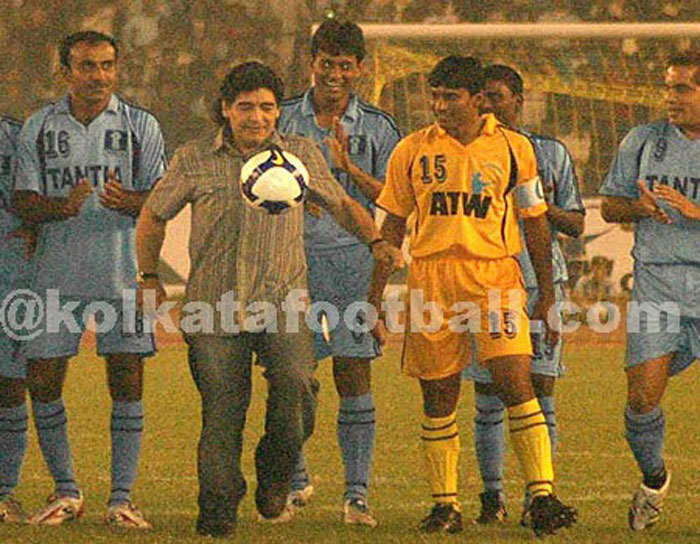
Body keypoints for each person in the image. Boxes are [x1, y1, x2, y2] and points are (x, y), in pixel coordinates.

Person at [135, 61, 402, 538]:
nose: (257, 118)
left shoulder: (299, 154)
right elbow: (153, 216)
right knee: (222, 411)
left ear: (278, 112)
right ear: (225, 110)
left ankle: (275, 474)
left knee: (299, 389)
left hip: (283, 302)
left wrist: (376, 242)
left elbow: (340, 204)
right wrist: (149, 275)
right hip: (213, 307)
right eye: (245, 108)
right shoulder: (193, 158)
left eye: (267, 108)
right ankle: (218, 510)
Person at [368, 55, 578, 537]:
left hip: (496, 276)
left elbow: (535, 223)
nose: (438, 106)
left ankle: (542, 495)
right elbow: (393, 226)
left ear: (477, 99)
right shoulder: (411, 150)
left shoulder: (513, 148)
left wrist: (546, 295)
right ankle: (446, 506)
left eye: (450, 97)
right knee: (438, 392)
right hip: (432, 278)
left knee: (514, 379)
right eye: (434, 96)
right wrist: (374, 298)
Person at [12, 30, 167, 528]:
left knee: (126, 381)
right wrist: (64, 207)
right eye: (86, 66)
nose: (98, 76)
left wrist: (134, 202)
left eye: (106, 65)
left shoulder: (142, 126)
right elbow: (22, 201)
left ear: (117, 69)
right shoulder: (37, 127)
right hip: (54, 278)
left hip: (122, 276)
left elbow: (164, 198)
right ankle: (66, 492)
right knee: (42, 381)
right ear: (65, 72)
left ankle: (122, 498)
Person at [278, 18, 402, 526]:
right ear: (311, 65)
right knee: (291, 377)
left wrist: (349, 174)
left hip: (354, 265)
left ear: (360, 70)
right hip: (290, 266)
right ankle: (296, 475)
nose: (333, 74)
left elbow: (396, 205)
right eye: (325, 64)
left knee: (353, 374)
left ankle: (356, 495)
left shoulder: (378, 127)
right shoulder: (281, 119)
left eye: (343, 65)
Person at [462, 64, 585, 525]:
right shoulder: (469, 153)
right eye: (484, 98)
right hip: (487, 282)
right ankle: (492, 496)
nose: (490, 105)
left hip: (539, 281)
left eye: (498, 96)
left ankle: (540, 494)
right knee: (489, 390)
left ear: (519, 100)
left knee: (542, 384)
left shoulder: (549, 153)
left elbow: (575, 222)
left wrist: (534, 202)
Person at [599, 52, 700, 531]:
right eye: (669, 87)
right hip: (657, 283)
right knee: (641, 400)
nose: (671, 98)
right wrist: (638, 208)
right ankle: (654, 478)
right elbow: (610, 207)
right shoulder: (642, 141)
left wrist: (695, 211)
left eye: (682, 89)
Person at [0, 114, 35, 523]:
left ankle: (4, 491)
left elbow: (36, 200)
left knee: (10, 386)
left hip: (11, 277)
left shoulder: (17, 136)